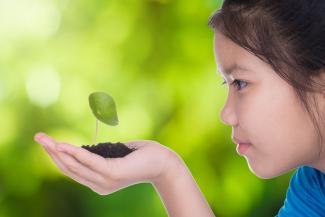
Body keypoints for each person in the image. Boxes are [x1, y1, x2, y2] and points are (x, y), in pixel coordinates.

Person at [34, 0, 325, 216]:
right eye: (227, 85)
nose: (226, 114)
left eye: (241, 83)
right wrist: (165, 170)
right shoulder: (312, 188)